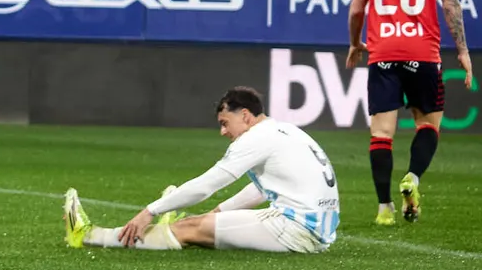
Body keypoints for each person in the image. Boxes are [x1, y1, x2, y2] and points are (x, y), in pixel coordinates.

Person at [64, 87, 339, 253]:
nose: (223, 132)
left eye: (225, 122)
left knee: (190, 228)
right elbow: (260, 190)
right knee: (202, 225)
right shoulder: (285, 130)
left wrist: (149, 211)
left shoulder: (256, 138)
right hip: (317, 229)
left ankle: (91, 236)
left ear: (245, 115)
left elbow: (207, 185)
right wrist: (218, 212)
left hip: (296, 230)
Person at [346, 0, 473, 225]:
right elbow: (450, 4)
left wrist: (355, 42)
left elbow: (356, 9)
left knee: (381, 134)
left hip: (383, 53)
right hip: (423, 53)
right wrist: (462, 50)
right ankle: (413, 177)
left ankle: (384, 209)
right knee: (428, 125)